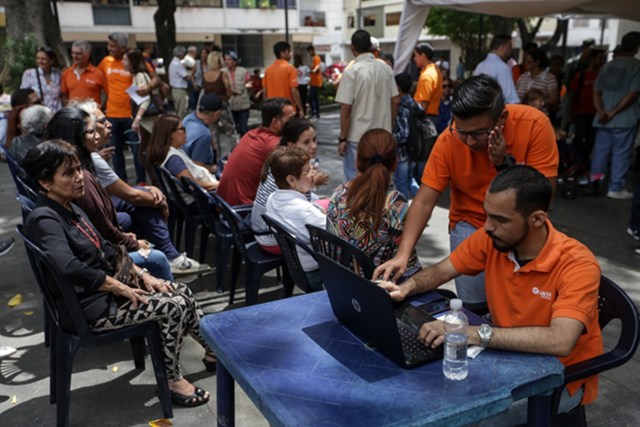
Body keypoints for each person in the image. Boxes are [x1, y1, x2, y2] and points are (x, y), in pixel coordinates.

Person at [377, 165, 602, 422]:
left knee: (465, 418)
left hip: (558, 378)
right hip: (505, 358)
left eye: (501, 220)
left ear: (537, 219)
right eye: (487, 215)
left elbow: (559, 341)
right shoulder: (493, 239)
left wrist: (473, 333)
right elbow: (442, 270)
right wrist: (406, 287)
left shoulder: (577, 264)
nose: (487, 226)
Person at [22, 140, 216, 407]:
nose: (80, 178)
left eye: (79, 169)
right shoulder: (45, 219)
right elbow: (67, 266)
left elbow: (108, 248)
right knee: (173, 307)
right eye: (69, 173)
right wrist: (118, 286)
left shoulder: (69, 206)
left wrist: (144, 275)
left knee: (178, 290)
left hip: (103, 296)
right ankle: (172, 380)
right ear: (45, 182)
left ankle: (213, 352)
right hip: (91, 310)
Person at [375, 75, 559, 308]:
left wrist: (503, 163)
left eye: (478, 133)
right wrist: (403, 255)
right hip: (470, 224)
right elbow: (423, 202)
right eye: (462, 131)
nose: (470, 142)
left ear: (502, 119)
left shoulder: (535, 125)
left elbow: (544, 198)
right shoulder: (448, 140)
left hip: (521, 227)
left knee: (520, 306)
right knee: (473, 305)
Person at [327, 129, 421, 279]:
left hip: (338, 284)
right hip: (379, 292)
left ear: (357, 161)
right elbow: (409, 267)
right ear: (395, 164)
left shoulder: (339, 193)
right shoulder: (395, 203)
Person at [252, 118, 329, 253]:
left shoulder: (280, 159)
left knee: (327, 203)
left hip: (266, 227)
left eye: (314, 140)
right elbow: (304, 210)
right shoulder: (288, 169)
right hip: (271, 237)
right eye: (306, 142)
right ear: (291, 145)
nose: (313, 146)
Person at [335, 30, 399, 181]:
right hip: (383, 135)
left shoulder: (351, 71)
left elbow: (346, 107)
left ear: (352, 48)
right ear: (371, 46)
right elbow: (396, 100)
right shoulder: (386, 68)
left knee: (355, 180)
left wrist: (342, 138)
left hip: (358, 137)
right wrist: (390, 125)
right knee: (381, 178)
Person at [265, 146, 325, 290]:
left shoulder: (272, 198)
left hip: (298, 269)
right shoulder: (305, 211)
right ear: (291, 180)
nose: (314, 173)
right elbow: (336, 234)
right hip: (317, 274)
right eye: (308, 170)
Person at [589, 31, 640, 200]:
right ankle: (616, 186)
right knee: (622, 152)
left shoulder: (607, 66)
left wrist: (601, 111)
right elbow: (632, 93)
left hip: (602, 119)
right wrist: (614, 112)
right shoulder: (636, 66)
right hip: (624, 119)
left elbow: (596, 91)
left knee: (601, 151)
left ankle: (595, 181)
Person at [217, 97, 295, 206]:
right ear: (275, 122)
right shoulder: (273, 144)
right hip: (243, 210)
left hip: (226, 205)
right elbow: (293, 181)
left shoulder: (251, 134)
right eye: (291, 119)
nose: (295, 122)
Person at [98, 32, 146, 186]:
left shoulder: (132, 60)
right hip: (111, 115)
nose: (109, 48)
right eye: (108, 45)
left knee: (136, 151)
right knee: (115, 151)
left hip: (130, 116)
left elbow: (151, 78)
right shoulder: (105, 62)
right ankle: (122, 183)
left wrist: (149, 87)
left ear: (123, 47)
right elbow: (100, 85)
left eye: (113, 46)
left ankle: (142, 182)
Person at [147, 113, 219, 195]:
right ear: (171, 134)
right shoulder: (173, 160)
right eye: (182, 129)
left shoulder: (173, 150)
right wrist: (220, 184)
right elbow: (193, 185)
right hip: (203, 198)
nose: (186, 132)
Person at [392, 73, 420, 199]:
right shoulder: (414, 103)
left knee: (401, 185)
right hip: (414, 150)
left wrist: (390, 138)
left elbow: (404, 134)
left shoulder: (401, 106)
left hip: (402, 154)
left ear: (397, 87)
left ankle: (404, 216)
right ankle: (420, 201)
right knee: (411, 180)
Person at [183, 92, 224, 174]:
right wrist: (214, 168)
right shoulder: (204, 135)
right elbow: (196, 166)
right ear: (215, 114)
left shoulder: (188, 118)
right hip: (194, 174)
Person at [474, 34, 520, 104]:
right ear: (504, 47)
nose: (511, 50)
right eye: (510, 47)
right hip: (497, 112)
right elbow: (512, 100)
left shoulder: (480, 66)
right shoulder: (502, 67)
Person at [262, 41, 304, 115]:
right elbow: (294, 90)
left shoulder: (268, 70)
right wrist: (300, 109)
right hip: (287, 109)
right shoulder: (290, 68)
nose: (291, 54)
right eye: (289, 51)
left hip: (273, 109)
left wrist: (266, 107)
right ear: (282, 53)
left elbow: (265, 91)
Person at [61, 40, 107, 105]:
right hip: (74, 113)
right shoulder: (66, 73)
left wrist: (101, 108)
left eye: (78, 54)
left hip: (92, 113)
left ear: (87, 55)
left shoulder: (98, 73)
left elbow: (107, 94)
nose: (74, 56)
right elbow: (64, 96)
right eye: (73, 53)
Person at [516, 48, 559, 115]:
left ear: (537, 62)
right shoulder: (523, 77)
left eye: (529, 62)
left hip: (539, 116)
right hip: (521, 114)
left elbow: (553, 100)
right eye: (525, 61)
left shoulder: (549, 78)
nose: (526, 64)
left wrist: (539, 102)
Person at [20, 46, 62, 112]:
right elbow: (23, 95)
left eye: (43, 59)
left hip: (56, 114)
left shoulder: (59, 75)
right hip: (38, 114)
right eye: (38, 58)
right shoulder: (29, 74)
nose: (40, 61)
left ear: (51, 60)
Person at [223, 51, 251, 136]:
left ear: (235, 61)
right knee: (232, 129)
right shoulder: (222, 72)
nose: (227, 62)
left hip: (243, 104)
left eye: (229, 59)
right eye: (225, 59)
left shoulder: (243, 71)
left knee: (243, 128)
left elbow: (249, 83)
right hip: (229, 105)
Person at [413, 43, 442, 124]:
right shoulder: (436, 70)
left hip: (425, 118)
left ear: (423, 56)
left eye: (416, 56)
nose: (414, 59)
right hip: (433, 117)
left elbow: (423, 104)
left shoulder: (426, 76)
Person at [168, 46, 190, 119]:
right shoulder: (177, 64)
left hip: (175, 90)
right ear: (181, 54)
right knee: (181, 112)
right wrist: (193, 71)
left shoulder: (173, 62)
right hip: (179, 90)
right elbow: (186, 76)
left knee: (179, 110)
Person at [307, 45, 323, 119]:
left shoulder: (316, 58)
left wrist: (313, 70)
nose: (309, 53)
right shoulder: (313, 58)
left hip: (316, 82)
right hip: (313, 81)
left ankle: (314, 112)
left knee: (311, 97)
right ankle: (317, 113)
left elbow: (317, 66)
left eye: (309, 51)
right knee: (315, 98)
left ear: (312, 50)